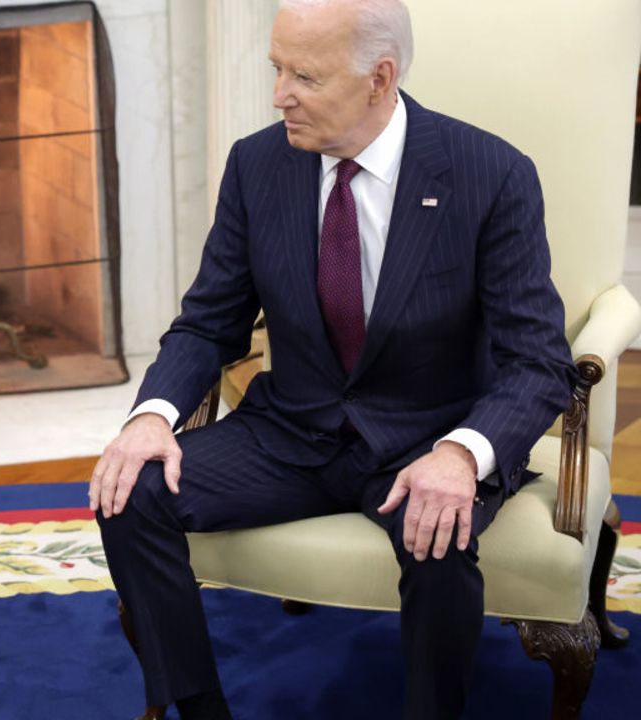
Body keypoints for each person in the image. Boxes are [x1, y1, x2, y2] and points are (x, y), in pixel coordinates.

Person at [91, 1, 575, 718]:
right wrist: (152, 416)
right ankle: (197, 710)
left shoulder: (489, 174)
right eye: (277, 68)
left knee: (441, 537)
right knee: (129, 492)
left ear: (379, 78)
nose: (279, 94)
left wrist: (463, 456)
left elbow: (538, 361)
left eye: (305, 77)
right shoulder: (258, 165)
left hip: (425, 438)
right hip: (291, 431)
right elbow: (207, 323)